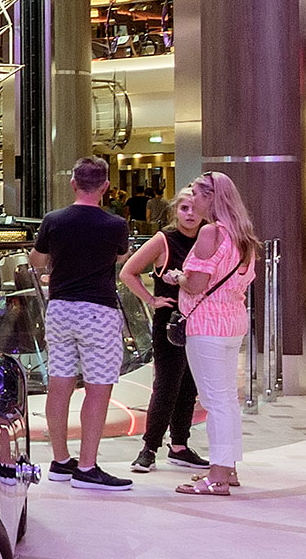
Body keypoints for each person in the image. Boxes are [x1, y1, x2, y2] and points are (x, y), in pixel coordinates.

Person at [31, 157, 134, 490]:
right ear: (105, 187)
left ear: (73, 183)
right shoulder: (115, 224)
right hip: (98, 312)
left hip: (60, 309)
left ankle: (60, 461)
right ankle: (87, 467)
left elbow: (36, 260)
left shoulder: (53, 220)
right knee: (98, 388)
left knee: (59, 385)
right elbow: (121, 257)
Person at [175, 172, 260, 497]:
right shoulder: (242, 234)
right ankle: (228, 467)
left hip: (207, 323)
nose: (193, 200)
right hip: (233, 321)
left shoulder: (210, 232)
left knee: (214, 401)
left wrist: (179, 278)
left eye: (196, 194)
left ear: (211, 197)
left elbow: (197, 284)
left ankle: (218, 476)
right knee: (226, 399)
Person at [119, 191, 210, 475]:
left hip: (201, 321)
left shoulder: (207, 239)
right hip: (171, 323)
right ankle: (149, 448)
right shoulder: (164, 240)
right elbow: (128, 272)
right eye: (184, 208)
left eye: (195, 209)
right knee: (167, 385)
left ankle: (179, 445)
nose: (190, 214)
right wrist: (151, 299)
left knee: (190, 385)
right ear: (175, 211)